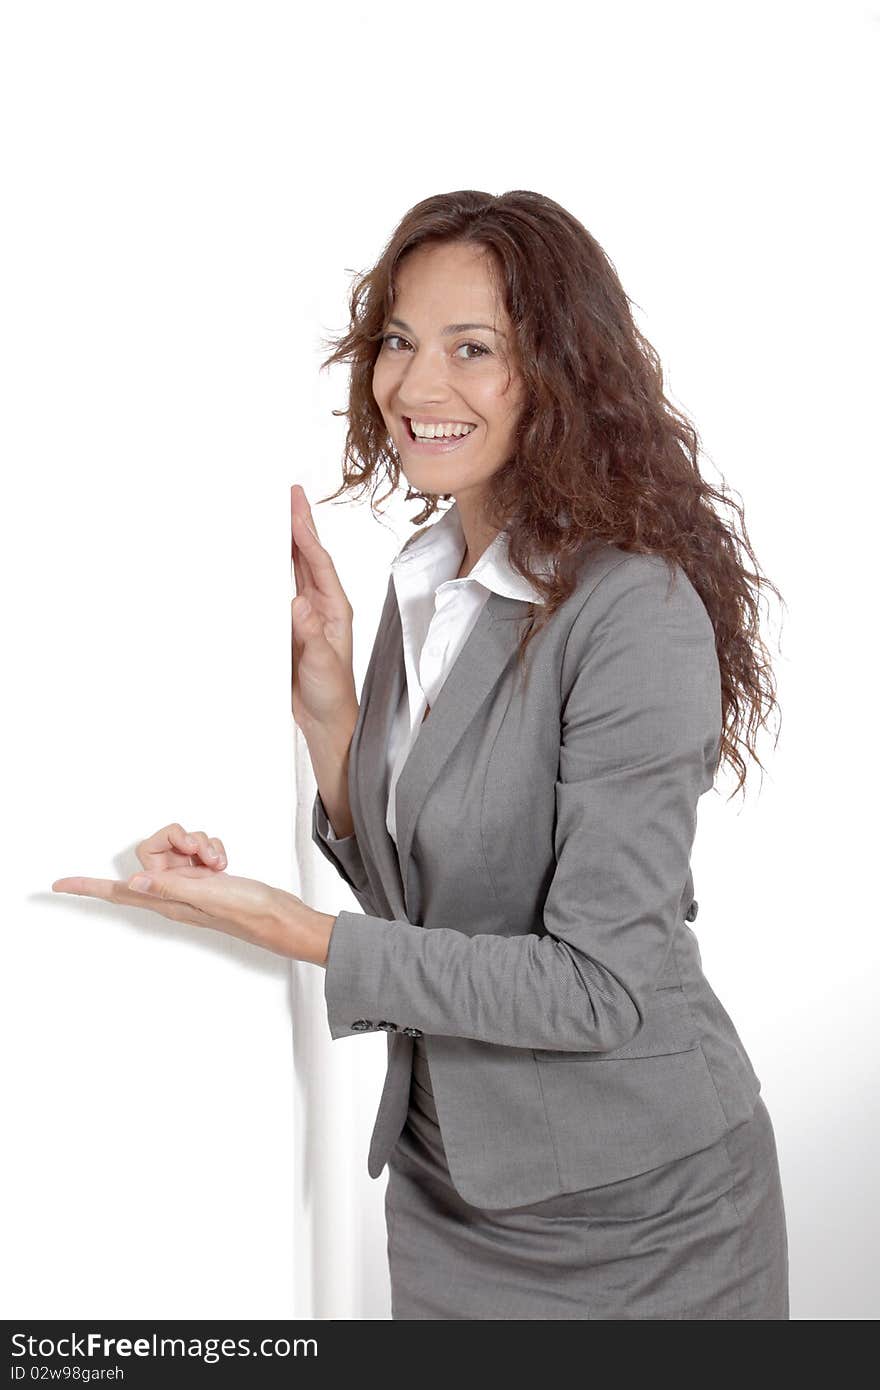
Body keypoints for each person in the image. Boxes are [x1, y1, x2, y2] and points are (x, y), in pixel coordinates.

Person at [54, 190, 790, 1319]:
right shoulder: (429, 577)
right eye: (398, 340)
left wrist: (296, 931)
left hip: (641, 1216)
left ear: (560, 373)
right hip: (449, 1188)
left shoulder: (633, 613)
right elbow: (439, 891)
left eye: (472, 349)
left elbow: (601, 987)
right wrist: (332, 716)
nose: (415, 385)